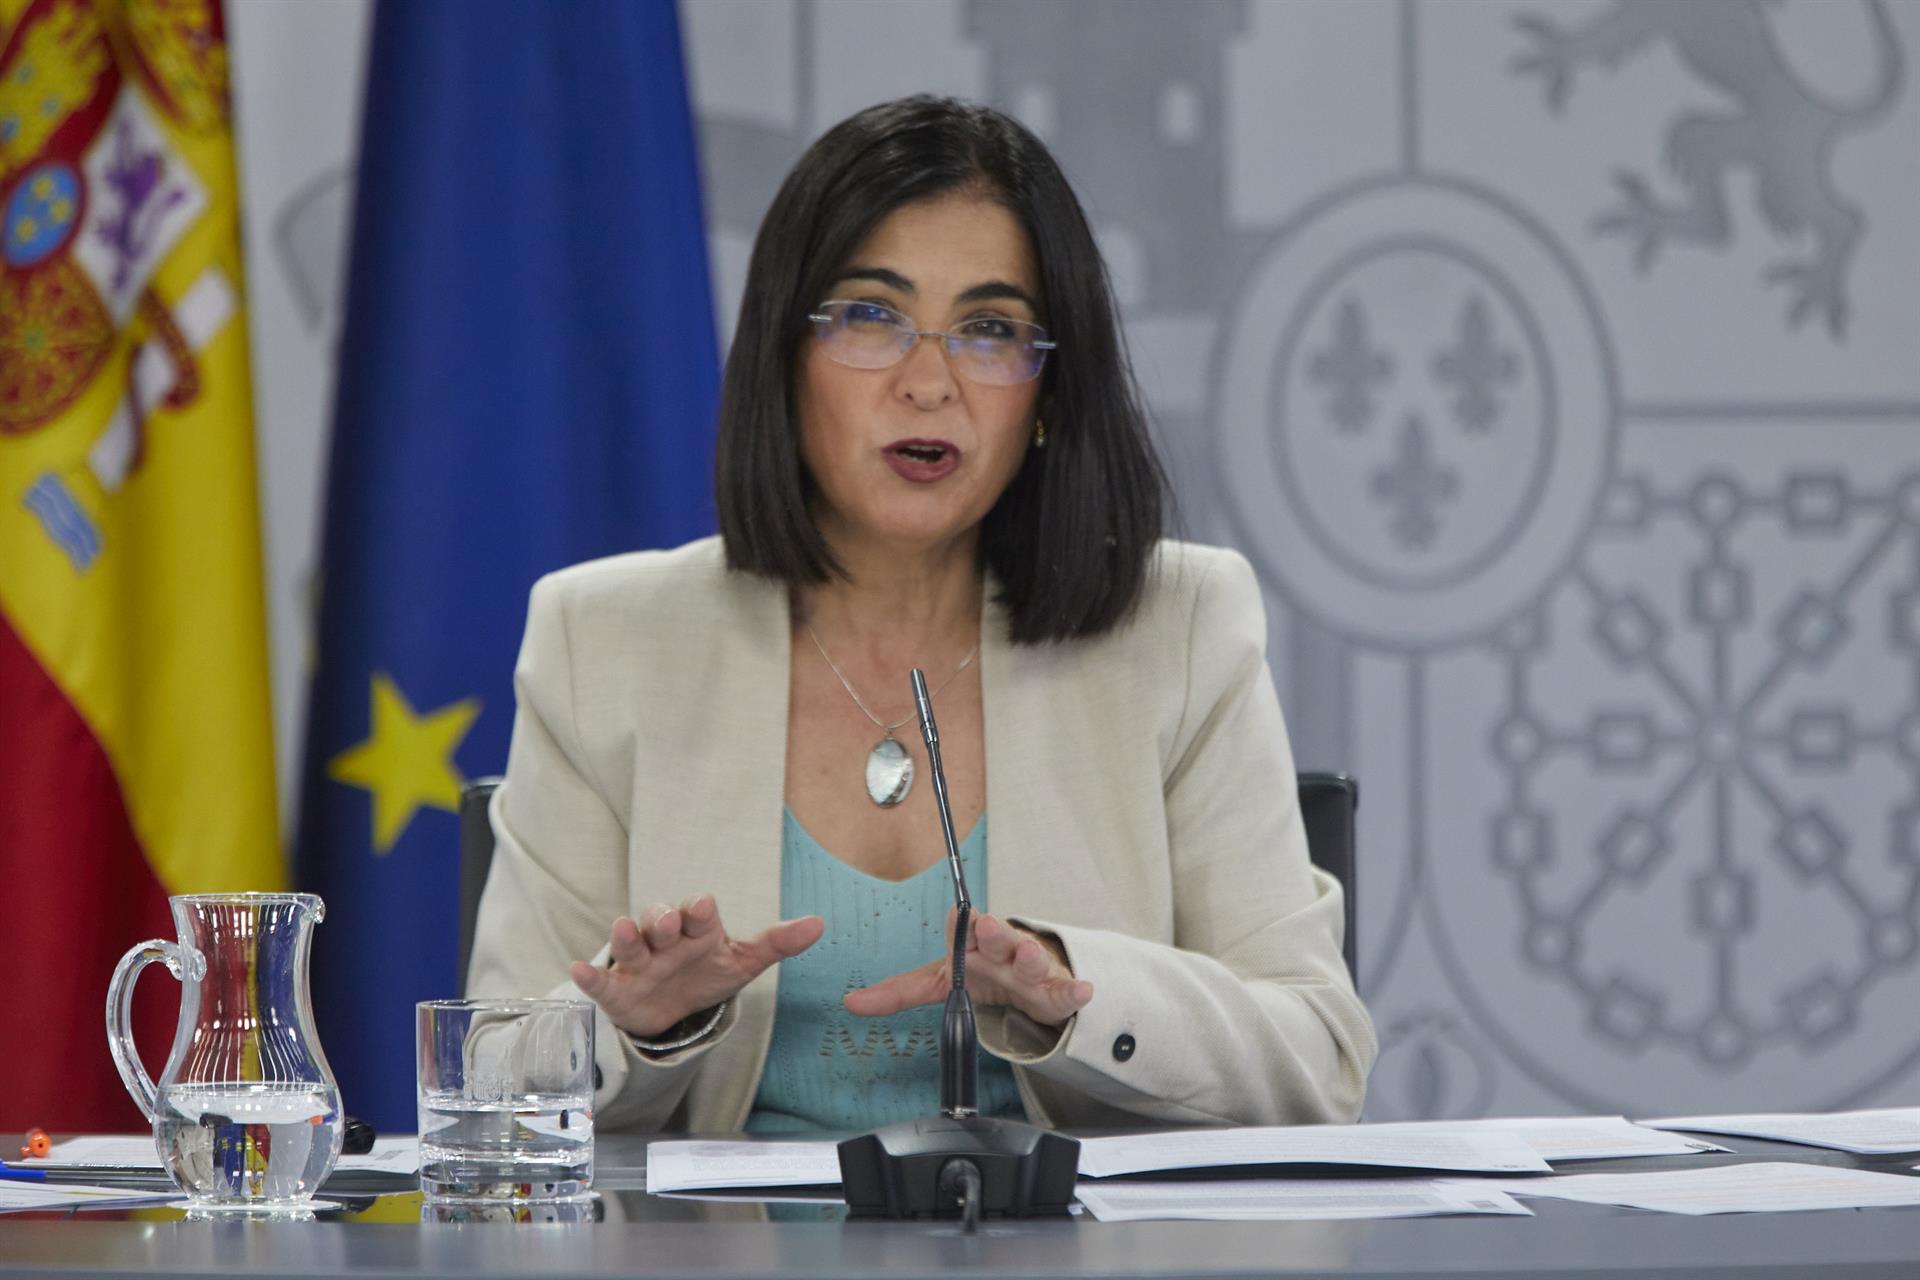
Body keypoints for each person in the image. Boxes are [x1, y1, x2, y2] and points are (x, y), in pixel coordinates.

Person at [466, 95, 1375, 1133]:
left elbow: (1318, 1060)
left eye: (990, 331)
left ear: (1045, 400)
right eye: (870, 315)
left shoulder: (1178, 630)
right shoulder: (608, 639)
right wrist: (636, 1028)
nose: (930, 382)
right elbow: (490, 1073)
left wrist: (1078, 991)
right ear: (784, 358)